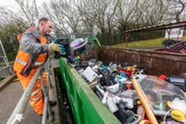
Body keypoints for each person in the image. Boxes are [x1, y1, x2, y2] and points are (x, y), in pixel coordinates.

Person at [13, 17, 65, 115]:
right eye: (49, 27)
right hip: (25, 70)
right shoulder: (28, 34)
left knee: (44, 86)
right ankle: (43, 112)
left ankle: (46, 103)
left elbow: (51, 46)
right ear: (42, 24)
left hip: (37, 69)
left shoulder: (47, 37)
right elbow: (30, 47)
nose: (51, 29)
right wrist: (49, 47)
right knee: (34, 94)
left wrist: (57, 49)